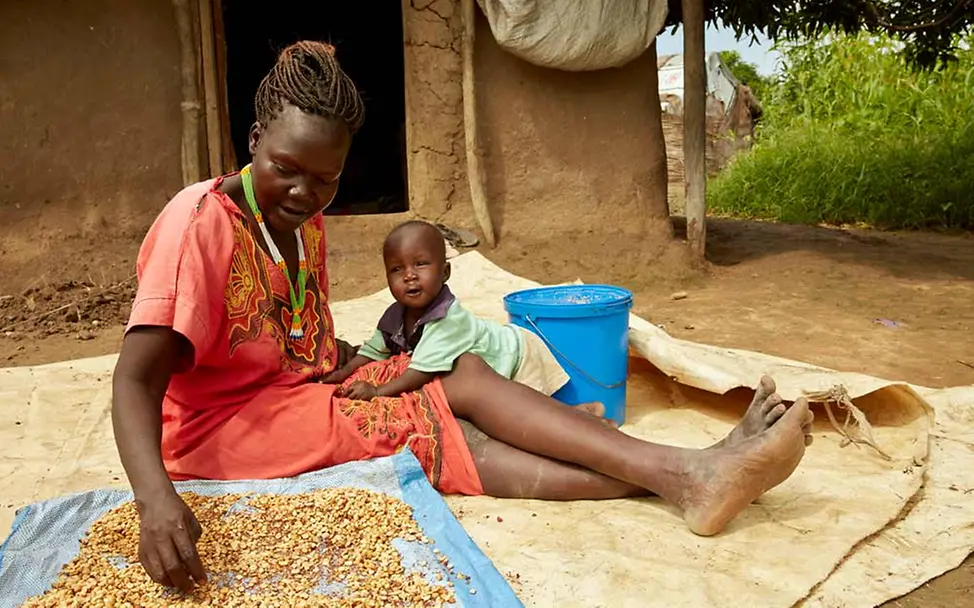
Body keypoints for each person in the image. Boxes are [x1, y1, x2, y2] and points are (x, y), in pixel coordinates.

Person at [111, 40, 814, 593]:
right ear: (254, 138)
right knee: (430, 422)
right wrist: (154, 501)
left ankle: (692, 469)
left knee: (462, 369)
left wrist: (351, 360)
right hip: (223, 429)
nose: (304, 192)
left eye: (326, 179)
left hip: (297, 394)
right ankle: (687, 474)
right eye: (286, 168)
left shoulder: (302, 225)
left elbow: (291, 335)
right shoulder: (198, 223)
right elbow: (135, 381)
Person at [329, 220, 572, 402]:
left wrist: (377, 391)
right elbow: (374, 350)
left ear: (445, 273)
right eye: (397, 269)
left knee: (529, 412)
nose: (409, 275)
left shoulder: (446, 318)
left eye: (420, 264)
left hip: (516, 357)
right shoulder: (395, 315)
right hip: (491, 365)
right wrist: (345, 372)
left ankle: (579, 415)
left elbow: (419, 373)